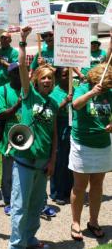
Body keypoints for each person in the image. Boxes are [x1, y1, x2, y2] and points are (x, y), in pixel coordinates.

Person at [9, 27, 58, 249]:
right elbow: (21, 66)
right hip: (24, 162)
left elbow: (54, 134)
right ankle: (16, 245)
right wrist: (21, 41)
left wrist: (52, 161)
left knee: (36, 204)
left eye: (50, 78)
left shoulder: (54, 103)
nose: (47, 81)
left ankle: (29, 239)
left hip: (42, 163)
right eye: (44, 78)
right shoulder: (29, 95)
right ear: (36, 81)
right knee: (20, 206)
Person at [69, 63, 112, 241]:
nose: (107, 88)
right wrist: (91, 93)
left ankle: (93, 221)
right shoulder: (82, 88)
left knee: (97, 184)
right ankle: (75, 222)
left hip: (102, 144)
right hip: (82, 145)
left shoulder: (109, 92)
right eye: (106, 85)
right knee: (80, 187)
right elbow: (76, 105)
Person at [0, 62, 22, 215]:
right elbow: (0, 114)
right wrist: (16, 106)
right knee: (8, 173)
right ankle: (8, 200)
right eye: (15, 72)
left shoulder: (29, 89)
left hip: (27, 138)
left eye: (21, 71)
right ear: (9, 74)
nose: (18, 74)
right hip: (8, 140)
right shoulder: (3, 90)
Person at [50, 67, 73, 205]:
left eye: (69, 74)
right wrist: (65, 101)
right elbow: (51, 111)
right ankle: (56, 192)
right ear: (58, 77)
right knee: (59, 161)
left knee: (71, 162)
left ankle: (68, 190)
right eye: (64, 75)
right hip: (59, 126)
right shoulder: (54, 93)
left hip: (73, 127)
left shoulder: (74, 89)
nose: (67, 77)